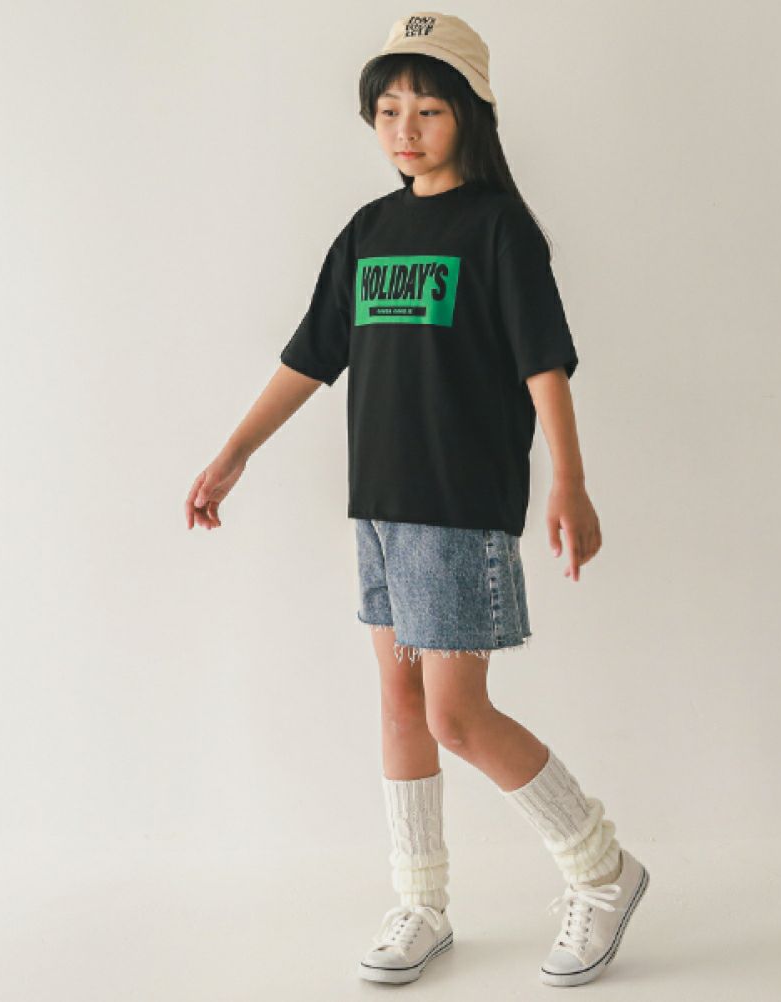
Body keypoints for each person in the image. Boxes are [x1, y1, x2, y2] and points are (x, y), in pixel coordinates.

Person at [184, 11, 649, 989]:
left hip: (459, 507)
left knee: (456, 717)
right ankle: (423, 902)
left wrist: (569, 479)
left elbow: (544, 363)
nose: (404, 128)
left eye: (427, 109)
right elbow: (312, 356)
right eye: (388, 110)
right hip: (382, 508)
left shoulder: (498, 228)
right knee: (399, 704)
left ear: (471, 114)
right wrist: (234, 452)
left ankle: (601, 869)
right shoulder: (368, 231)